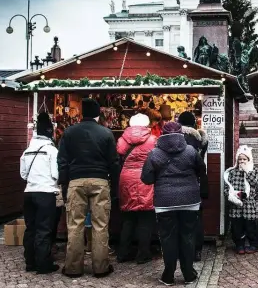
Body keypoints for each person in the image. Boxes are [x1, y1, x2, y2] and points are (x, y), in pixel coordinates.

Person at [58, 98, 120, 278]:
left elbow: (62, 161)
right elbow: (114, 163)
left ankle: (72, 268)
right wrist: (114, 186)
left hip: (75, 181)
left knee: (75, 225)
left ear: (82, 113)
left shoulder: (69, 133)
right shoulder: (106, 133)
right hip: (100, 181)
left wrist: (64, 183)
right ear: (97, 114)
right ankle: (100, 267)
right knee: (100, 225)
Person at [141, 122, 208, 286]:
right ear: (181, 134)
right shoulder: (191, 151)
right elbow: (202, 169)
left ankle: (168, 275)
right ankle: (188, 274)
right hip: (189, 200)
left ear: (162, 135)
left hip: (165, 201)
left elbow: (146, 178)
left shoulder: (154, 153)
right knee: (188, 236)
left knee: (167, 238)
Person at [20, 112, 60, 274]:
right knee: (44, 229)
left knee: (31, 228)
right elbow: (56, 174)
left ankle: (30, 262)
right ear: (50, 133)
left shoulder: (27, 151)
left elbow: (23, 174)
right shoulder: (51, 151)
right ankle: (43, 264)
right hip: (46, 193)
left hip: (29, 192)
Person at [116, 113, 157, 263]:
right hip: (145, 178)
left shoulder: (122, 140)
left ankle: (123, 252)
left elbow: (119, 155)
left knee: (128, 218)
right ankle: (143, 253)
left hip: (126, 178)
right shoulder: (153, 140)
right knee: (146, 217)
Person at [178, 111, 208, 261]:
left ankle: (182, 250)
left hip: (179, 182)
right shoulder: (201, 141)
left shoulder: (178, 139)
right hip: (197, 182)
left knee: (179, 217)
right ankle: (197, 250)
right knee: (196, 218)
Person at [224, 145, 258, 255]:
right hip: (235, 204)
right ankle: (239, 244)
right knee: (237, 226)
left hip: (249, 204)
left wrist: (247, 172)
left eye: (244, 159)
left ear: (249, 159)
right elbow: (227, 187)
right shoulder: (232, 172)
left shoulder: (254, 170)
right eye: (240, 159)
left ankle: (253, 244)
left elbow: (255, 183)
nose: (242, 161)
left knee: (250, 226)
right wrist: (232, 195)